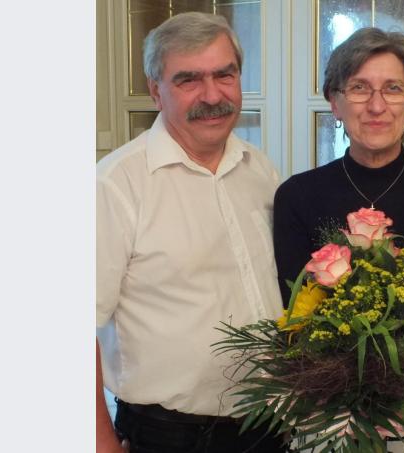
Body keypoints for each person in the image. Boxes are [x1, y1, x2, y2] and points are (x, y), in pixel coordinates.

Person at [273, 27, 404, 452]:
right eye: (358, 88)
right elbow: (296, 322)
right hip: (330, 417)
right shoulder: (297, 195)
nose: (376, 106)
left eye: (392, 88)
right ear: (334, 101)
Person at [96, 12, 286, 453]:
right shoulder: (116, 184)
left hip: (268, 422)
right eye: (188, 80)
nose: (213, 95)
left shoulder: (260, 170)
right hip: (171, 436)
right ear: (155, 91)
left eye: (225, 74)